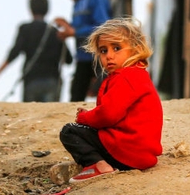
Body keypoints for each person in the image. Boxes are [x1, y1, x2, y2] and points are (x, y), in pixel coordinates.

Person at [59, 17, 163, 182]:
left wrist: (85, 118)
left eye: (116, 48)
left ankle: (99, 165)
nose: (109, 56)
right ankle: (100, 162)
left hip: (128, 152)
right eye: (103, 50)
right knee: (95, 132)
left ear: (135, 49)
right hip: (139, 153)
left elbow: (108, 115)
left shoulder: (125, 77)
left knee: (70, 131)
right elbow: (115, 112)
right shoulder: (138, 73)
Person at [0, 0, 73, 102]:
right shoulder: (55, 32)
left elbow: (13, 54)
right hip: (52, 82)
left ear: (30, 9)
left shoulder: (25, 29)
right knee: (49, 116)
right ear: (47, 10)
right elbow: (69, 60)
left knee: (32, 117)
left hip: (31, 80)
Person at [54, 0, 111, 101]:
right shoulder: (78, 3)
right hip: (83, 58)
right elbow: (79, 27)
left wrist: (74, 32)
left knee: (106, 98)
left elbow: (104, 27)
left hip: (99, 58)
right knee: (76, 97)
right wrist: (67, 27)